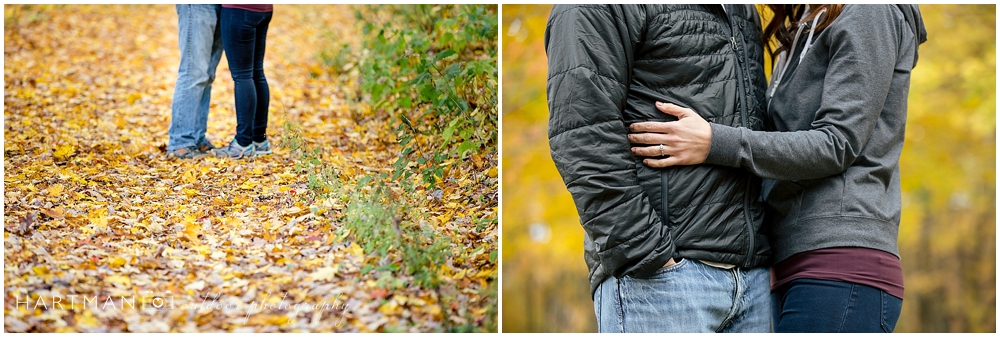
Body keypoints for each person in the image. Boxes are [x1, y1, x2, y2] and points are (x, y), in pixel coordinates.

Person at [627, 4, 927, 333]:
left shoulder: (870, 13)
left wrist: (715, 142)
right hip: (789, 263)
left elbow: (837, 143)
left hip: (841, 261)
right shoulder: (803, 22)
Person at [545, 5, 773, 332]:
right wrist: (647, 254)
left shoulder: (743, 9)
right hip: (661, 283)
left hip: (753, 284)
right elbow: (582, 131)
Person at [166, 4, 224, 159]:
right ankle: (180, 142)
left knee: (207, 74)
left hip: (225, 6)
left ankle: (197, 138)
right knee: (193, 72)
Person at [216, 4, 274, 158]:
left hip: (238, 9)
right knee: (256, 73)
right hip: (264, 9)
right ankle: (259, 140)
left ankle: (243, 143)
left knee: (242, 75)